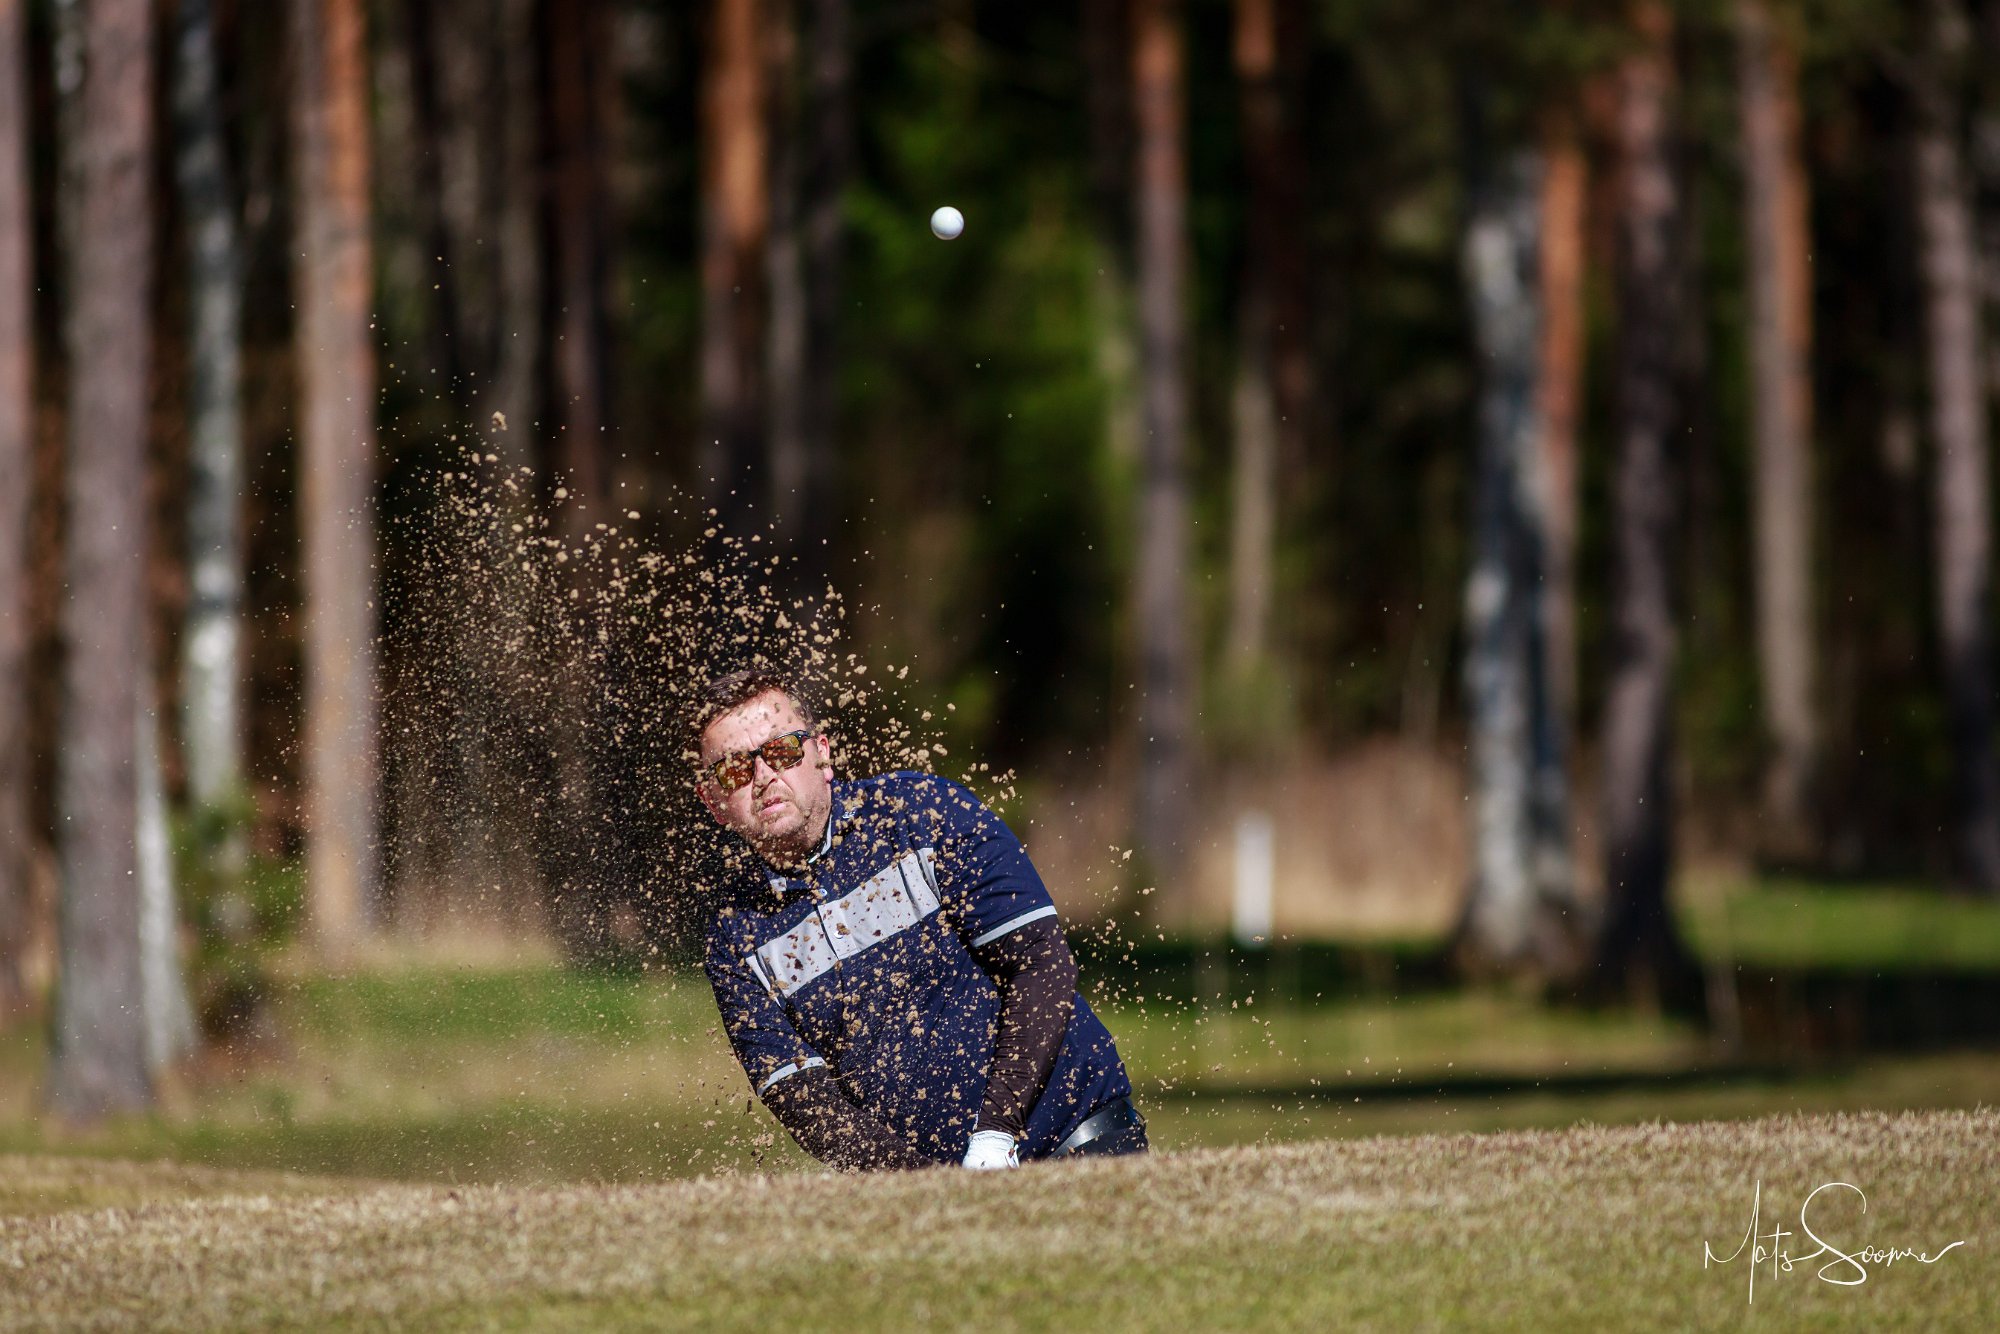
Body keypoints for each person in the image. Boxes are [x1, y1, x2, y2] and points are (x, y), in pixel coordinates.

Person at [689, 667, 1147, 1170]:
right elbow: (804, 1099)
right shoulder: (736, 935)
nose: (763, 776)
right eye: (734, 769)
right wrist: (924, 1189)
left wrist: (995, 1137)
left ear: (822, 753)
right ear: (713, 802)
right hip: (937, 1193)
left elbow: (1041, 965)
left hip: (1076, 1142)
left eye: (782, 751)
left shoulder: (923, 812)